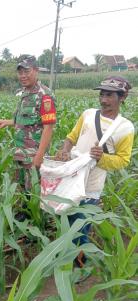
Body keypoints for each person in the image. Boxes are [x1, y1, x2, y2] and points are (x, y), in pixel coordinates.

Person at [55, 76, 134, 267]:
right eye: (102, 94)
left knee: (80, 227)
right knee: (64, 222)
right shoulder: (88, 114)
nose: (104, 100)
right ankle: (65, 259)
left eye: (109, 95)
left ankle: (80, 267)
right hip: (70, 178)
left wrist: (102, 158)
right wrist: (65, 150)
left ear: (122, 97)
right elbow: (71, 137)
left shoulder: (125, 128)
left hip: (91, 185)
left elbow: (123, 160)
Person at [0, 56, 56, 200]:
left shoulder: (44, 95)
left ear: (36, 71)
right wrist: (5, 122)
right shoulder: (26, 93)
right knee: (23, 189)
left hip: (33, 154)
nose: (23, 76)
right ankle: (24, 214)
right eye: (20, 72)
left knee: (34, 191)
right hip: (21, 151)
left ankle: (37, 221)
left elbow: (48, 127)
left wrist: (39, 156)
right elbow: (25, 120)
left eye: (26, 71)